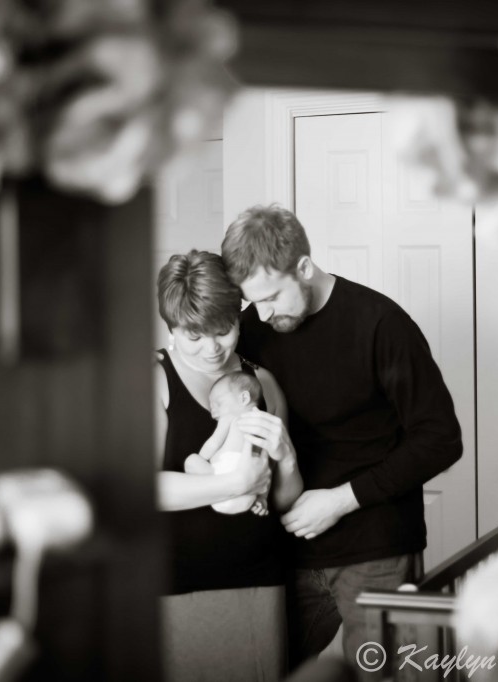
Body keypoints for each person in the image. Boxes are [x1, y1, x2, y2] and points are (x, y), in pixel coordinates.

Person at [221, 205, 464, 671]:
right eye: (254, 302)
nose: (263, 314)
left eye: (272, 296)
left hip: (376, 549)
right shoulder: (254, 329)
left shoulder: (381, 324)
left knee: (388, 676)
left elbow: (440, 438)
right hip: (285, 547)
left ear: (305, 268)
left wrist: (340, 500)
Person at [154, 249, 303, 682]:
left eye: (222, 330)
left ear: (240, 316)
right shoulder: (156, 378)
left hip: (258, 576)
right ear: (172, 329)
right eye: (193, 336)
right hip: (177, 580)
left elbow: (282, 500)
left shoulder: (262, 382)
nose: (211, 348)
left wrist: (288, 459)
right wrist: (235, 483)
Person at [184, 371, 269, 516]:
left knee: (191, 460)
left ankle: (205, 480)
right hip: (248, 496)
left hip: (222, 481)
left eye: (218, 403)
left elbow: (214, 443)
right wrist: (262, 497)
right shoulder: (264, 423)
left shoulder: (230, 418)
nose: (213, 411)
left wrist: (202, 459)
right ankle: (259, 501)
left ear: (243, 398)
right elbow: (266, 463)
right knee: (263, 469)